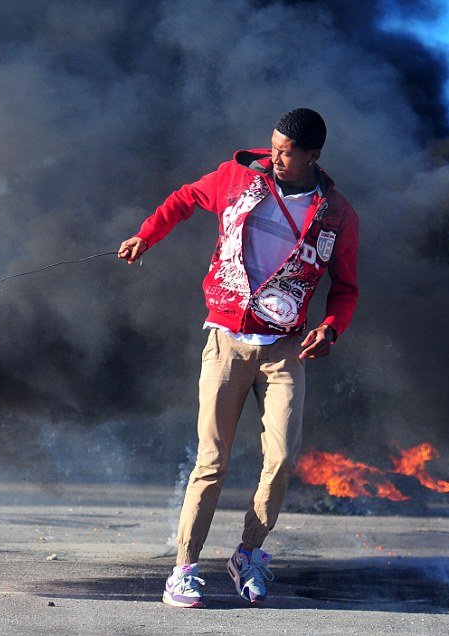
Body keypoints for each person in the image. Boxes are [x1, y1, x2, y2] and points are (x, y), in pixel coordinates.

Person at [118, 108, 359, 608]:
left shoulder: (337, 214)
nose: (275, 157)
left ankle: (248, 554)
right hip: (227, 337)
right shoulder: (236, 178)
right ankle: (183, 569)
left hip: (286, 348)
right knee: (212, 460)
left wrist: (331, 328)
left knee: (283, 459)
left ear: (314, 156)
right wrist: (148, 233)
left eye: (287, 152)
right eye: (273, 146)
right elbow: (184, 198)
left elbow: (346, 288)